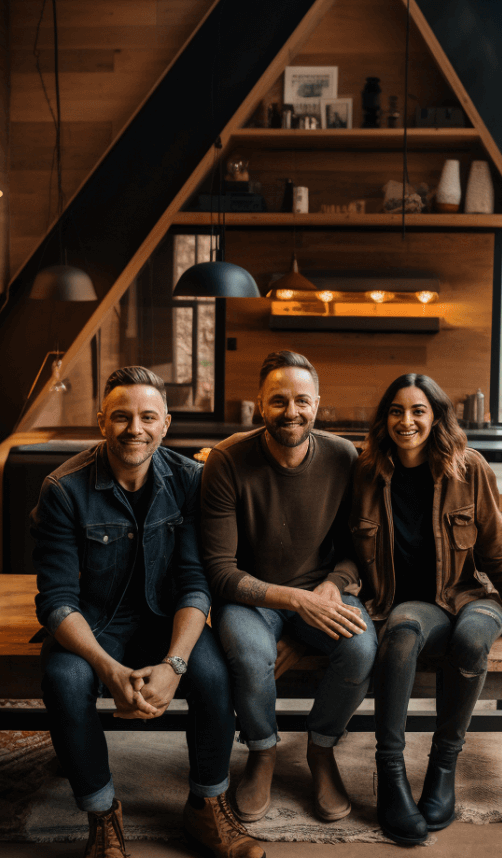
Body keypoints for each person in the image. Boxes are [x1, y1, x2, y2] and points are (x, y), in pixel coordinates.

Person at [33, 367, 262, 858]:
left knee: (213, 675)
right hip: (96, 626)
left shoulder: (190, 481)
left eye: (146, 417)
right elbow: (55, 601)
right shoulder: (62, 489)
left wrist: (175, 663)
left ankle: (206, 807)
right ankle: (102, 816)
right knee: (64, 680)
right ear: (101, 422)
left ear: (165, 424)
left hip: (168, 622)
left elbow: (195, 584)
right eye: (121, 416)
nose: (133, 428)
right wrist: (110, 670)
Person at [351, 373, 502, 845]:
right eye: (396, 411)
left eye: (418, 411)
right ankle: (390, 774)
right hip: (413, 603)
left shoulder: (468, 468)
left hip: (472, 595)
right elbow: (348, 545)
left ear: (435, 417)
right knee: (401, 630)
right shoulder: (367, 471)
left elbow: (499, 548)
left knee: (472, 640)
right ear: (384, 418)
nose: (406, 421)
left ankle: (443, 766)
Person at [200, 350, 378, 824]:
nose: (291, 412)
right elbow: (220, 570)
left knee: (360, 648)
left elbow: (355, 552)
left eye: (302, 400)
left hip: (322, 594)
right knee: (246, 648)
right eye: (278, 401)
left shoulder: (344, 457)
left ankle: (321, 750)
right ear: (260, 404)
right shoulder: (227, 460)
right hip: (250, 598)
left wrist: (330, 587)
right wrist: (295, 603)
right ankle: (262, 752)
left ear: (318, 404)